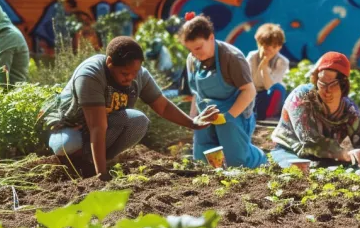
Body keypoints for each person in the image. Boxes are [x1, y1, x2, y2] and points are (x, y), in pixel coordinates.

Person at [42, 36, 211, 179]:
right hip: (71, 126)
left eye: (134, 73)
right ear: (109, 62)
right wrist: (101, 176)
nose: (130, 78)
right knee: (66, 144)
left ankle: (90, 163)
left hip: (101, 127)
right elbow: (97, 127)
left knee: (138, 121)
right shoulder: (91, 73)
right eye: (124, 73)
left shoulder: (139, 75)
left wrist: (193, 123)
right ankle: (75, 165)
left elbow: (163, 107)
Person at [180, 15, 267, 168]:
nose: (195, 54)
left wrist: (228, 117)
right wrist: (193, 119)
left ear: (211, 38)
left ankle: (260, 159)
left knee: (237, 162)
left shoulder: (232, 58)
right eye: (191, 50)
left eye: (198, 48)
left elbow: (249, 91)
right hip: (205, 111)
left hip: (234, 113)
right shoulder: (192, 59)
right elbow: (196, 93)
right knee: (202, 161)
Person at [270, 52, 360, 169]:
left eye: (332, 85)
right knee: (297, 172)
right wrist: (343, 154)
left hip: (323, 156)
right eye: (322, 84)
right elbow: (309, 141)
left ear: (343, 85)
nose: (326, 91)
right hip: (288, 151)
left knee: (353, 172)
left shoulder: (349, 110)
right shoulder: (301, 97)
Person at [248, 23, 290, 121]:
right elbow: (247, 83)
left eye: (274, 46)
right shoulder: (252, 57)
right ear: (258, 43)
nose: (269, 49)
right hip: (252, 95)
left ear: (279, 47)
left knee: (279, 89)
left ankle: (269, 119)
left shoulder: (282, 62)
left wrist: (264, 66)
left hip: (269, 97)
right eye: (266, 46)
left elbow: (270, 87)